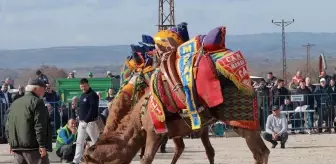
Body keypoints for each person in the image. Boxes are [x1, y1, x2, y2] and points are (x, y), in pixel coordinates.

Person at [6, 79, 52, 164]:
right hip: (33, 148)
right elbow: (40, 125)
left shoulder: (15, 103)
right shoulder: (37, 102)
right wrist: (42, 145)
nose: (44, 92)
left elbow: (8, 125)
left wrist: (10, 142)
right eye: (43, 89)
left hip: (17, 148)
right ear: (35, 89)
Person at [72, 78, 100, 164]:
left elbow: (92, 109)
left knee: (96, 142)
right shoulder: (82, 95)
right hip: (81, 123)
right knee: (79, 142)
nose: (83, 88)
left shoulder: (92, 95)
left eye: (84, 86)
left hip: (91, 123)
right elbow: (82, 109)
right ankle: (76, 161)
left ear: (88, 85)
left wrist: (86, 120)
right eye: (81, 86)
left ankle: (100, 159)